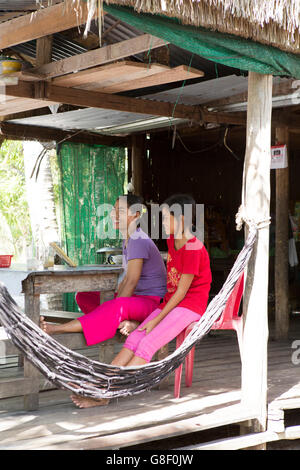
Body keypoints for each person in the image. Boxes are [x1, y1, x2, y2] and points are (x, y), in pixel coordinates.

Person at [71, 193, 212, 409]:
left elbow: (182, 293)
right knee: (134, 338)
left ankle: (106, 394)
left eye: (166, 218)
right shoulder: (173, 240)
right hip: (171, 303)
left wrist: (156, 320)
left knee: (147, 344)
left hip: (189, 306)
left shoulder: (194, 248)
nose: (162, 223)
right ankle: (100, 384)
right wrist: (154, 318)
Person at [40, 194, 167, 342]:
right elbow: (125, 279)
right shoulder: (128, 239)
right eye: (114, 210)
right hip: (135, 300)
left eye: (120, 211)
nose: (114, 215)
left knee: (115, 306)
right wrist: (116, 301)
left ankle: (55, 329)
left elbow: (132, 281)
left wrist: (116, 305)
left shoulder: (138, 239)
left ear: (135, 215)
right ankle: (123, 323)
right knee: (83, 296)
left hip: (152, 303)